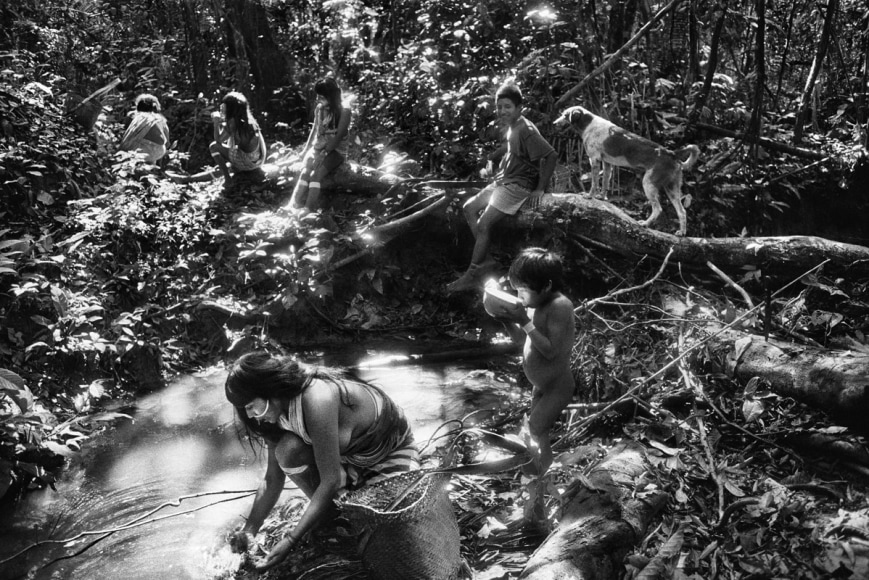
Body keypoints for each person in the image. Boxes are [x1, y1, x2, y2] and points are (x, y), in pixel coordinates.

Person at [224, 351, 419, 571]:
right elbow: (272, 478)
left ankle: (336, 512)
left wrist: (291, 540)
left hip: (388, 453)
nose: (250, 415)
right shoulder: (274, 414)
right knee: (287, 451)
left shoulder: (316, 398)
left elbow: (330, 480)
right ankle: (330, 516)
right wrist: (250, 529)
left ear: (269, 391)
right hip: (349, 460)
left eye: (250, 406)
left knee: (390, 532)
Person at [447, 83, 557, 293]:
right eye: (499, 107)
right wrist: (493, 159)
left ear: (519, 108)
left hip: (518, 185)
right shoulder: (514, 127)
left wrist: (540, 189)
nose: (502, 111)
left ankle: (473, 272)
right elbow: (512, 149)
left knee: (483, 224)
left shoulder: (526, 129)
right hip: (505, 180)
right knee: (469, 208)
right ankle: (486, 259)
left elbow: (550, 155)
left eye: (508, 106)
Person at [487, 247, 575, 477]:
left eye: (524, 291)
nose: (520, 297)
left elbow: (551, 351)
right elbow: (526, 340)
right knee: (531, 429)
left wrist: (524, 321)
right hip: (541, 384)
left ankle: (545, 480)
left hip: (557, 386)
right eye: (517, 291)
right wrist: (507, 320)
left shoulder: (559, 306)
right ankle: (534, 474)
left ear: (546, 286)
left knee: (537, 428)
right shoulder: (535, 305)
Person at [169, 91, 266, 184]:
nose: (222, 107)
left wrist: (216, 123)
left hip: (247, 162)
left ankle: (228, 179)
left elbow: (218, 142)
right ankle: (185, 179)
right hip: (257, 161)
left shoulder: (233, 123)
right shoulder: (248, 121)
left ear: (231, 109)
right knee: (220, 169)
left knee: (213, 147)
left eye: (224, 106)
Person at [288, 77, 352, 212]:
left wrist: (323, 154)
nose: (318, 100)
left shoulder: (344, 111)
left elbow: (339, 136)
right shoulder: (320, 109)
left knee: (315, 175)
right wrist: (306, 150)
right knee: (305, 172)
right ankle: (292, 204)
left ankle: (307, 209)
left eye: (321, 97)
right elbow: (315, 129)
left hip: (336, 150)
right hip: (319, 147)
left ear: (331, 96)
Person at [118, 93, 170, 164]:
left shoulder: (135, 117)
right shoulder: (160, 119)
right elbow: (167, 142)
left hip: (137, 150)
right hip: (159, 152)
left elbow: (127, 136)